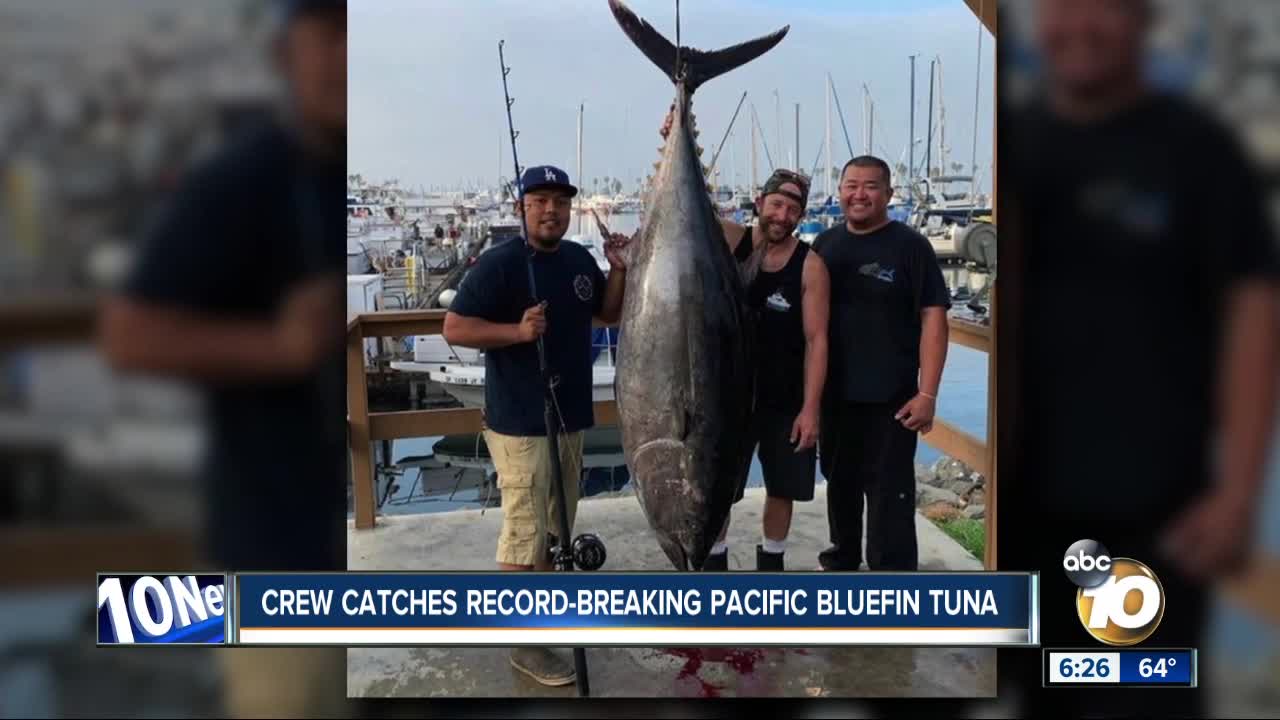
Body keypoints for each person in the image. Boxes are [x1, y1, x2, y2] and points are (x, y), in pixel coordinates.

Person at [1003, 0, 1279, 716]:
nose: (1080, 27)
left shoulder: (1196, 150)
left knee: (1138, 699)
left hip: (1150, 519)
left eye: (1104, 10)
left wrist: (1238, 494)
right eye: (1061, 11)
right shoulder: (1021, 142)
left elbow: (1254, 316)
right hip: (1027, 519)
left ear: (1141, 20)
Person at [99, 1, 348, 716]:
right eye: (328, 30)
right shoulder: (241, 180)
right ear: (285, 53)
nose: (344, 53)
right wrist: (276, 348)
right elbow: (126, 334)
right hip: (267, 563)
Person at [442, 164, 628, 687]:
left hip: (568, 415)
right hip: (520, 421)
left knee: (555, 531)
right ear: (522, 206)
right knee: (524, 536)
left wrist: (618, 269)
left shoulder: (577, 258)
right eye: (540, 200)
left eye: (560, 202)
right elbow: (454, 326)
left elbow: (608, 316)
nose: (551, 210)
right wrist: (517, 332)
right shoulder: (499, 264)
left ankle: (541, 619)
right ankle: (524, 644)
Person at [654, 115, 831, 571]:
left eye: (793, 210)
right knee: (716, 483)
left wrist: (811, 408)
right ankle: (714, 560)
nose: (783, 216)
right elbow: (683, 208)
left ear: (801, 215)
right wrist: (674, 136)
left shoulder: (809, 266)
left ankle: (771, 562)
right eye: (776, 204)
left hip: (783, 398)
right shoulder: (727, 239)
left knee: (783, 486)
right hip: (723, 395)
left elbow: (817, 339)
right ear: (759, 202)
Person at [812, 155, 951, 573]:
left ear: (889, 194)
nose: (859, 194)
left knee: (890, 498)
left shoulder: (911, 246)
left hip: (893, 401)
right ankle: (842, 566)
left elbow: (934, 317)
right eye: (850, 184)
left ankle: (892, 586)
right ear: (839, 192)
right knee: (841, 491)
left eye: (870, 186)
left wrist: (928, 393)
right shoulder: (825, 246)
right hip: (835, 398)